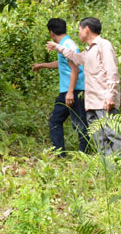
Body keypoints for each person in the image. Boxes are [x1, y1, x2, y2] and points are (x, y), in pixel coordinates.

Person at [46, 17, 121, 156]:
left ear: (86, 30)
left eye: (79, 30)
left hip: (104, 101)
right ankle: (109, 169)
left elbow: (112, 72)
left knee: (113, 135)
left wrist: (111, 96)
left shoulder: (104, 45)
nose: (78, 33)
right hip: (91, 102)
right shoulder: (89, 50)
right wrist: (56, 47)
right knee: (99, 138)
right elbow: (76, 58)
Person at [32, 18, 89, 156]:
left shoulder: (67, 45)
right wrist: (42, 65)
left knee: (80, 124)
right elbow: (62, 63)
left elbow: (74, 69)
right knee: (55, 120)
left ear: (51, 33)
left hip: (74, 89)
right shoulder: (64, 44)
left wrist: (70, 93)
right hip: (67, 90)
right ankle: (59, 154)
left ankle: (85, 155)